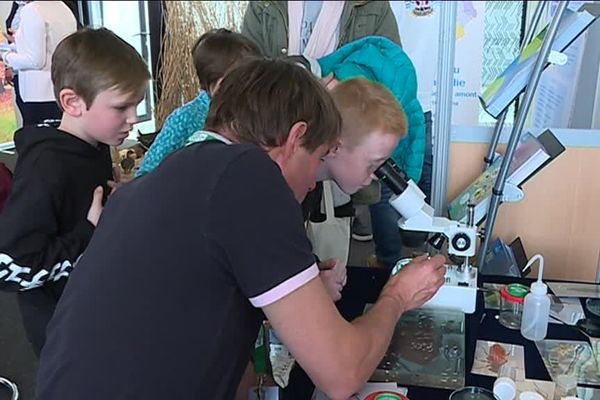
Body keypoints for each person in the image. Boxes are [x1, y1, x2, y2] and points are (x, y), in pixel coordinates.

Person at [36, 58, 445, 399]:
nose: (308, 185)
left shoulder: (156, 182)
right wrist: (398, 295)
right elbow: (342, 375)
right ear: (295, 136)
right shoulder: (249, 175)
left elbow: (203, 331)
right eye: (317, 158)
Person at [0, 27, 150, 356]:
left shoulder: (94, 143)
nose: (133, 119)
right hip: (65, 330)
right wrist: (88, 232)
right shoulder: (46, 167)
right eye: (121, 108)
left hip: (97, 307)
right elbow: (10, 268)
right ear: (72, 102)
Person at [136, 28, 262, 177]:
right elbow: (146, 173)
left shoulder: (254, 113)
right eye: (238, 80)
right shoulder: (185, 119)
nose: (246, 87)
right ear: (211, 79)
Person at [0, 1, 77, 126]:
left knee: (38, 141)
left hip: (38, 95)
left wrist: (5, 56)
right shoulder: (63, 7)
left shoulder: (32, 10)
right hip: (61, 88)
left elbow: (35, 61)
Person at [242, 0, 400, 59]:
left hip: (345, 122)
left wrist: (338, 79)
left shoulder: (373, 4)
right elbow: (247, 69)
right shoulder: (264, 4)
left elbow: (390, 67)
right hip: (276, 121)